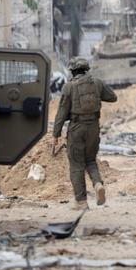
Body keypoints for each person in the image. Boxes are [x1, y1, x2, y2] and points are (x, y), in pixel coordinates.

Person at [51, 57, 117, 210]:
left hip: (76, 128)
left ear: (73, 71)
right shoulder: (98, 82)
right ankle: (98, 183)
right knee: (91, 161)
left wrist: (56, 135)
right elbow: (113, 97)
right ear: (86, 69)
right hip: (93, 127)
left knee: (76, 164)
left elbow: (61, 113)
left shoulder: (69, 87)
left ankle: (81, 202)